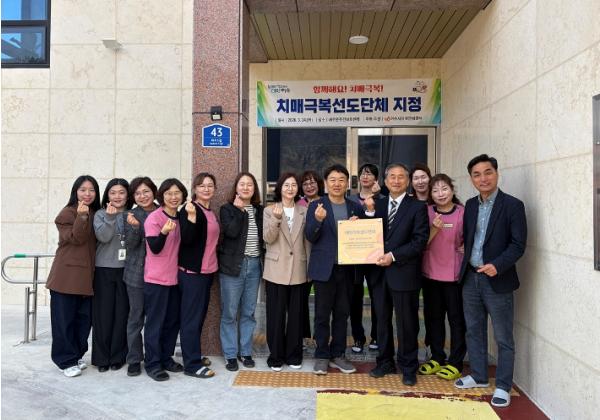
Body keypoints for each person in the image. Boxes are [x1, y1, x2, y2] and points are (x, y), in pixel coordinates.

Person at [454, 154, 527, 408]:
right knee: (474, 329)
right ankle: (479, 375)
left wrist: (498, 265)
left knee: (503, 336)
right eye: (477, 174)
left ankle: (504, 385)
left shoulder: (513, 205)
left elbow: (518, 244)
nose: (483, 178)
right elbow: (471, 238)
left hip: (498, 278)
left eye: (488, 172)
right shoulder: (471, 205)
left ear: (496, 174)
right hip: (471, 277)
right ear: (471, 179)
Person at [366, 163, 429, 386]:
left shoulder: (417, 207)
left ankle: (408, 366)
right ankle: (384, 362)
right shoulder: (378, 204)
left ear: (408, 181)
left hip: (404, 273)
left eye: (401, 177)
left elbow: (419, 241)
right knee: (381, 321)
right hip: (378, 274)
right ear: (385, 181)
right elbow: (368, 234)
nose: (396, 180)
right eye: (391, 176)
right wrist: (362, 219)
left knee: (407, 323)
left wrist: (392, 256)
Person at [306, 164, 369, 375]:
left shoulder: (355, 207)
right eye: (332, 180)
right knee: (322, 315)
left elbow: (365, 236)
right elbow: (310, 236)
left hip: (347, 269)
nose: (337, 184)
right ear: (326, 183)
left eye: (341, 180)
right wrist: (318, 220)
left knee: (342, 313)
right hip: (324, 268)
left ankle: (338, 354)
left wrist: (359, 224)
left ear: (347, 183)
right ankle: (322, 355)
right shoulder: (316, 206)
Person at [46, 175, 101, 377]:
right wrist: (81, 216)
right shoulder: (67, 213)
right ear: (75, 192)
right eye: (83, 190)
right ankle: (65, 360)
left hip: (87, 278)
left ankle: (76, 355)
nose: (87, 194)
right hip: (66, 278)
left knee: (83, 321)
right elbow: (76, 238)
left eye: (92, 190)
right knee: (64, 321)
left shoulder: (96, 213)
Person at [418, 174, 466, 381]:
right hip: (431, 274)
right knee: (433, 318)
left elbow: (472, 238)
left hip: (455, 277)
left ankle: (456, 362)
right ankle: (437, 357)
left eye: (444, 189)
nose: (440, 194)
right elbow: (420, 244)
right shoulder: (426, 212)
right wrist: (434, 229)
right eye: (435, 190)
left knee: (456, 320)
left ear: (452, 190)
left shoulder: (463, 212)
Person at [263, 172, 310, 372]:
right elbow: (268, 238)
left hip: (299, 268)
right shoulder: (269, 210)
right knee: (276, 315)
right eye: (286, 185)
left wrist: (309, 268)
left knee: (296, 316)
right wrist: (276, 218)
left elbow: (308, 242)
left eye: (293, 185)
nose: (290, 189)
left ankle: (294, 355)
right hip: (276, 269)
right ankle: (275, 356)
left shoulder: (304, 211)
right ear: (280, 188)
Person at [143, 178, 188, 381]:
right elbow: (154, 247)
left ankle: (165, 358)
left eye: (177, 193)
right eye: (169, 193)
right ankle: (152, 363)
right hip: (156, 280)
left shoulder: (182, 217)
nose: (173, 197)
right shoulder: (154, 218)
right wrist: (163, 232)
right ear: (162, 196)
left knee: (172, 322)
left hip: (176, 279)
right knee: (155, 323)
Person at [219, 172, 264, 372]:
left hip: (254, 265)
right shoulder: (227, 209)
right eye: (242, 184)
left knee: (248, 312)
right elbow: (231, 232)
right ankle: (230, 354)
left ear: (254, 189)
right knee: (229, 313)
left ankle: (245, 352)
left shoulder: (260, 210)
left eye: (250, 185)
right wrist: (239, 211)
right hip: (232, 267)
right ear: (236, 188)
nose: (246, 188)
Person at [177, 173, 218, 379]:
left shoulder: (210, 211)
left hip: (207, 272)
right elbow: (186, 239)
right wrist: (191, 218)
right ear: (194, 189)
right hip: (192, 273)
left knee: (199, 317)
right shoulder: (189, 209)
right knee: (191, 319)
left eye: (210, 185)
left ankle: (194, 354)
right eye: (202, 185)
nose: (206, 189)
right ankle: (191, 365)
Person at [92, 178, 132, 372]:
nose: (117, 196)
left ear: (127, 195)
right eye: (113, 192)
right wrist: (109, 218)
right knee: (103, 315)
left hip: (126, 270)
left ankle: (118, 357)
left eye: (121, 192)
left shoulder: (132, 214)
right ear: (107, 195)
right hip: (104, 269)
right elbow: (104, 237)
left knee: (122, 315)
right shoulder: (100, 214)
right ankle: (101, 358)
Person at [122, 176, 157, 377]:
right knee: (136, 318)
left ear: (154, 192)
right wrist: (135, 227)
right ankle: (134, 359)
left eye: (146, 191)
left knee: (156, 319)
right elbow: (130, 245)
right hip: (136, 274)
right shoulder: (130, 215)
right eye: (137, 193)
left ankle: (155, 356)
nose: (142, 196)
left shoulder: (164, 211)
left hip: (159, 275)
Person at [348, 163, 382, 354]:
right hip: (355, 256)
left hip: (376, 256)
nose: (365, 177)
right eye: (363, 174)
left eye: (370, 174)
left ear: (376, 178)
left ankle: (376, 335)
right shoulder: (350, 199)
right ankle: (358, 337)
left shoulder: (382, 199)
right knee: (355, 298)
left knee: (377, 297)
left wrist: (377, 197)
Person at [297, 170, 324, 345]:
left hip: (322, 257)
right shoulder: (297, 204)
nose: (309, 186)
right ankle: (304, 335)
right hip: (303, 257)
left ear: (319, 184)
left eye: (312, 182)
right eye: (305, 183)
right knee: (301, 299)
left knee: (322, 301)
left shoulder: (327, 202)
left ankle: (320, 337)